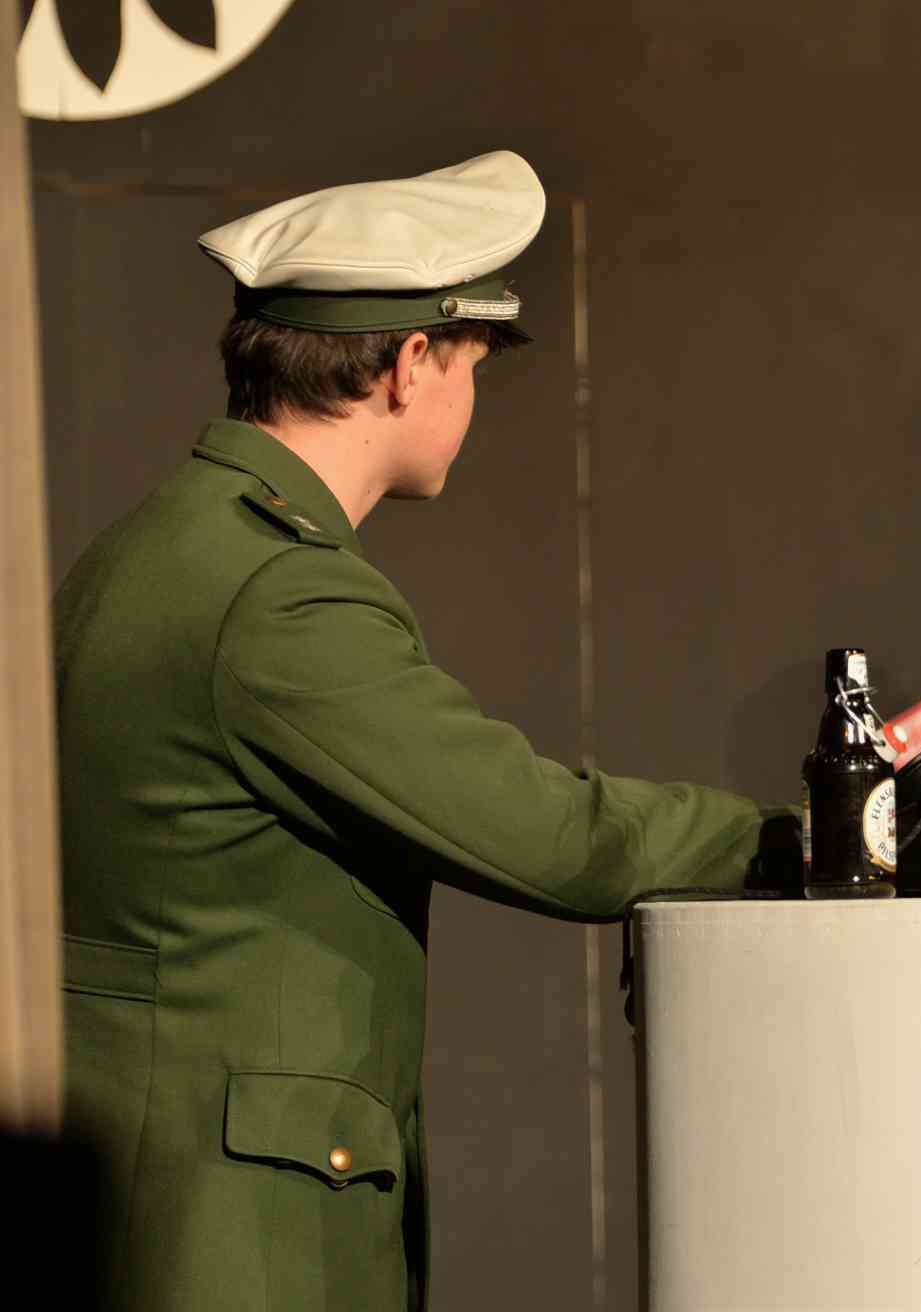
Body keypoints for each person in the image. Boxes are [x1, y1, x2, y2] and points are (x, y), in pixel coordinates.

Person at [53, 151, 794, 1312]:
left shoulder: (152, 547)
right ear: (408, 364)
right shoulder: (278, 595)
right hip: (235, 1250)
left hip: (142, 1214)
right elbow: (550, 836)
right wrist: (798, 838)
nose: (472, 399)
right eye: (472, 364)